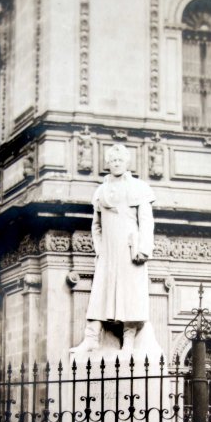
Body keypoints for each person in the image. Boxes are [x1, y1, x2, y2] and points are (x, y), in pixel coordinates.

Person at [71, 144, 155, 355]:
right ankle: (91, 338)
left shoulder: (139, 187)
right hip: (108, 252)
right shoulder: (101, 191)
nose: (116, 164)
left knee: (131, 296)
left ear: (127, 163)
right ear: (108, 164)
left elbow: (146, 221)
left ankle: (128, 341)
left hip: (130, 251)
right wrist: (99, 250)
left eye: (120, 160)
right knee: (99, 293)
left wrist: (143, 249)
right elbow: (96, 225)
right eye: (113, 160)